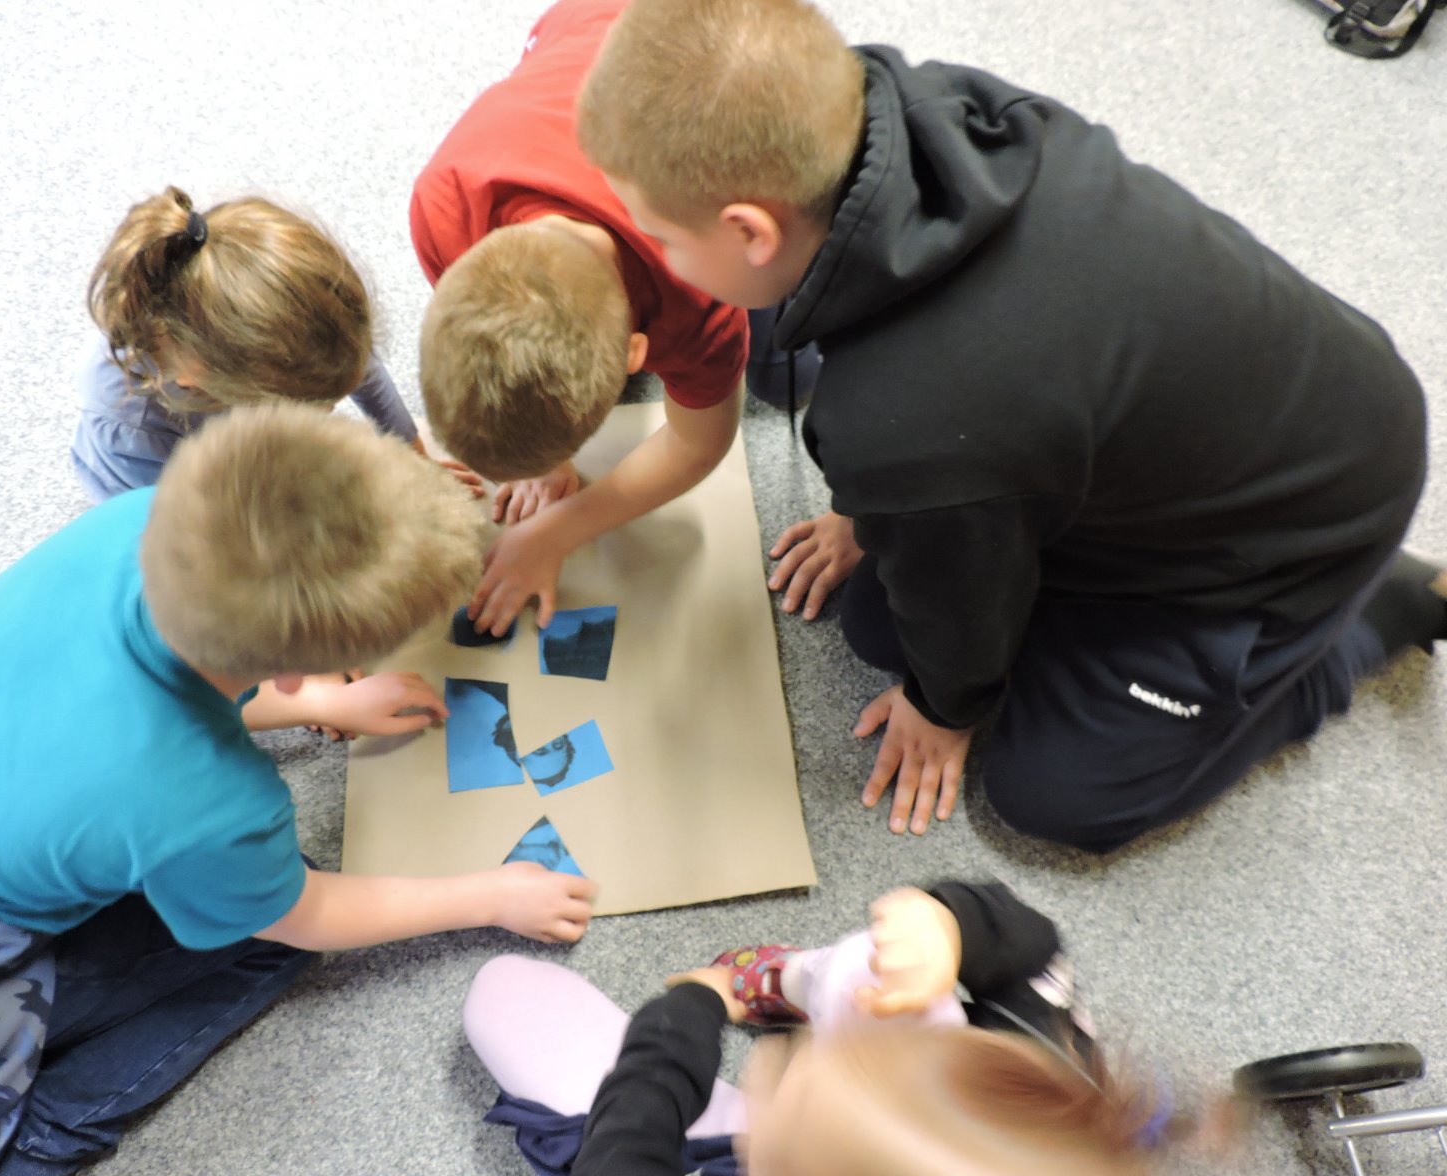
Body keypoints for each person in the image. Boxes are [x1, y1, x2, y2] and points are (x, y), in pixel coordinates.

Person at [576, 0, 1434, 850]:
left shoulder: (909, 427)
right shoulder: (915, 107)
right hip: (1187, 427)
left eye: (662, 238)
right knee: (878, 618)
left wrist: (942, 706)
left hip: (1299, 530)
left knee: (1053, 796)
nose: (658, 258)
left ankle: (1370, 618)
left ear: (749, 231)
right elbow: (945, 467)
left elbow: (951, 583)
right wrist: (883, 510)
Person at [0, 406, 595, 1176]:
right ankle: (29, 1146)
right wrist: (490, 896)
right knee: (265, 933)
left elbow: (169, 673)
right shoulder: (215, 804)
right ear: (302, 665)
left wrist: (321, 702)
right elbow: (308, 913)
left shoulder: (137, 521)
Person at [412, 0, 790, 638]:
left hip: (726, 40)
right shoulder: (442, 206)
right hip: (589, 26)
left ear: (637, 352)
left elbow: (699, 445)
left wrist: (559, 531)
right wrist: (542, 460)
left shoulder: (703, 295)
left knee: (783, 364)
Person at [466, 881, 1164, 1176]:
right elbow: (1035, 954)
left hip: (691, 1149)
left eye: (791, 1088)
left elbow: (623, 1146)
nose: (776, 1055)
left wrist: (694, 1006)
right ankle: (811, 981)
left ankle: (804, 987)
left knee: (501, 993)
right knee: (877, 969)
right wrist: (948, 927)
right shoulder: (1054, 1090)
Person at [71, 185, 481, 504]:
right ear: (203, 378)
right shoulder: (131, 434)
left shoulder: (295, 316)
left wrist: (413, 453)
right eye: (316, 405)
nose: (331, 411)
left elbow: (359, 366)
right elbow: (194, 543)